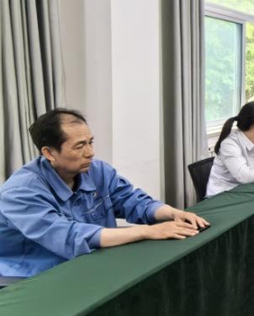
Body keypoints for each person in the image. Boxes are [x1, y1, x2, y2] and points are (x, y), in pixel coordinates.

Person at [0, 108, 209, 279]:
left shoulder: (96, 170)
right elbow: (70, 236)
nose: (90, 153)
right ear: (49, 152)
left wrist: (172, 213)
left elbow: (132, 200)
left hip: (89, 263)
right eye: (79, 146)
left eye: (90, 142)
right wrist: (147, 231)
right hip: (32, 278)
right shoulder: (20, 192)